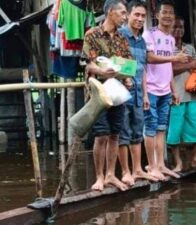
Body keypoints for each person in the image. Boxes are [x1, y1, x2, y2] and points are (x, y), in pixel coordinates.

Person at [81, 0, 130, 191]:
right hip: (98, 93)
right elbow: (86, 64)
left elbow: (127, 66)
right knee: (101, 135)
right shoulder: (92, 34)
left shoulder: (122, 39)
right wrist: (103, 72)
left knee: (115, 134)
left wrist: (127, 78)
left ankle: (111, 175)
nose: (125, 17)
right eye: (122, 12)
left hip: (117, 92)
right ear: (110, 12)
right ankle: (99, 177)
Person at [142, 0, 189, 180]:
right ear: (157, 15)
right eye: (165, 12)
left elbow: (168, 66)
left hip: (165, 90)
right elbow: (150, 58)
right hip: (151, 89)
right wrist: (174, 56)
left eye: (171, 13)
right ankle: (151, 166)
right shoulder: (150, 34)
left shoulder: (170, 39)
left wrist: (173, 89)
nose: (168, 16)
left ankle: (160, 164)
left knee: (162, 128)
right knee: (151, 128)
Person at [117, 0, 157, 185]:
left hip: (139, 93)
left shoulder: (141, 41)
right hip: (123, 91)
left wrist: (146, 94)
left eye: (143, 16)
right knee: (123, 131)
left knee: (136, 131)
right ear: (128, 16)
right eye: (136, 15)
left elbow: (143, 70)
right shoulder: (120, 36)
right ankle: (126, 172)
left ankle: (138, 169)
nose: (140, 19)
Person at [167, 16, 196, 172]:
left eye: (181, 27)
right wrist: (189, 64)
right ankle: (178, 162)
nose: (179, 30)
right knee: (175, 131)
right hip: (175, 95)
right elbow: (166, 70)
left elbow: (194, 68)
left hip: (192, 94)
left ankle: (195, 158)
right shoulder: (166, 48)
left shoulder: (190, 48)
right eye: (175, 27)